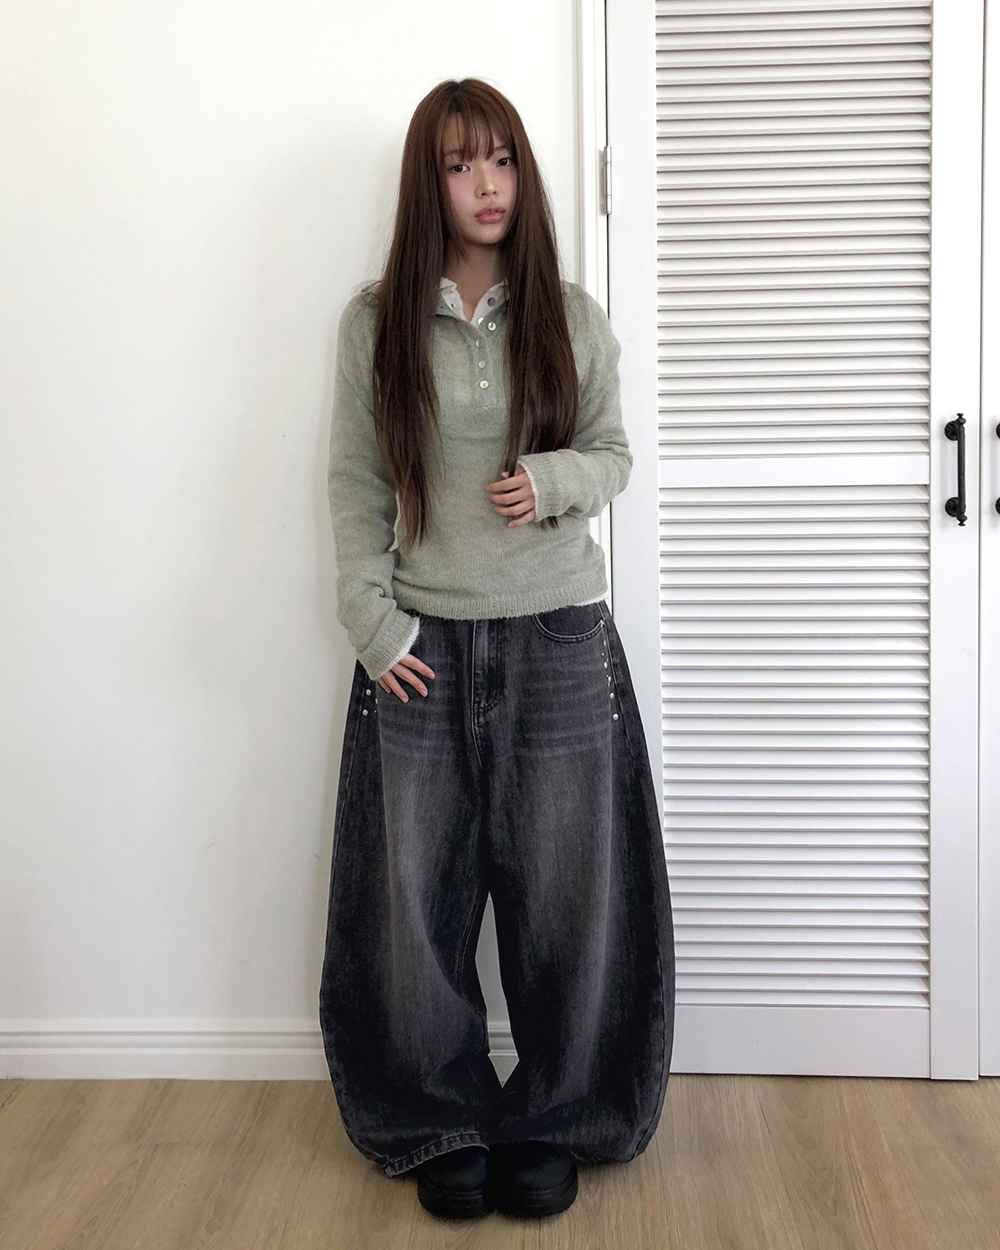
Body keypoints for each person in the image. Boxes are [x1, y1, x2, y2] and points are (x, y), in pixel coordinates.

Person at [318, 77, 675, 1220]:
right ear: (428, 182)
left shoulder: (568, 313)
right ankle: (437, 1117)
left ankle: (559, 1117)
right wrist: (372, 620)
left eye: (504, 158)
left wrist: (555, 478)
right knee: (412, 904)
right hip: (418, 648)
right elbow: (356, 481)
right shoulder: (374, 322)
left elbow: (614, 452)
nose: (487, 183)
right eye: (461, 162)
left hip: (559, 636)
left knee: (571, 898)